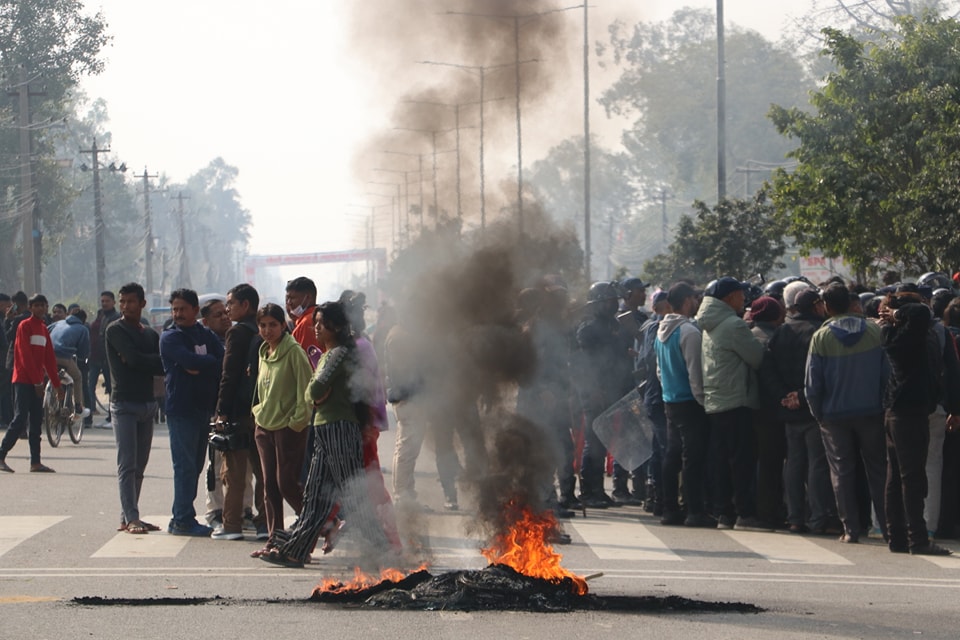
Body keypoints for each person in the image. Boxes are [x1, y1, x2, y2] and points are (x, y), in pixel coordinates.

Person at [261, 302, 392, 568]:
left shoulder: (338, 354)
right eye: (316, 323)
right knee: (315, 495)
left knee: (353, 494)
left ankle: (383, 552)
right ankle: (296, 550)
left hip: (338, 428)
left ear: (338, 326)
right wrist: (315, 393)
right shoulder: (330, 353)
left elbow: (314, 390)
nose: (316, 328)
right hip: (325, 427)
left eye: (322, 323)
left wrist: (315, 393)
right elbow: (314, 392)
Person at [805, 283, 889, 544]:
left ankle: (850, 529)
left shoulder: (821, 337)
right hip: (871, 412)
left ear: (827, 307)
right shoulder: (874, 332)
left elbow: (812, 384)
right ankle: (888, 527)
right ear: (852, 303)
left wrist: (818, 413)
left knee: (841, 471)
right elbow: (887, 375)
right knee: (878, 470)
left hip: (833, 415)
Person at [881, 289, 960, 556]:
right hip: (910, 413)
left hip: (896, 411)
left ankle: (897, 537)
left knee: (896, 478)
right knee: (913, 478)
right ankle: (918, 538)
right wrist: (898, 313)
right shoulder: (909, 335)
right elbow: (920, 313)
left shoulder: (894, 334)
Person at [763, 285, 836, 534]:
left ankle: (795, 517)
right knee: (817, 464)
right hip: (813, 408)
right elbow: (823, 373)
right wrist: (802, 397)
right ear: (816, 306)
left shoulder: (781, 331)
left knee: (793, 463)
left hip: (789, 409)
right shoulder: (820, 331)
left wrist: (783, 396)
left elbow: (768, 368)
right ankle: (818, 517)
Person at [696, 277, 767, 531]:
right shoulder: (733, 325)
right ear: (728, 298)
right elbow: (757, 358)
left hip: (716, 400)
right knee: (742, 461)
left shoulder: (708, 323)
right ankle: (745, 514)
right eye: (740, 294)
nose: (744, 299)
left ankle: (725, 513)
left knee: (722, 460)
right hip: (737, 399)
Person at [159, 288, 224, 536]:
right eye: (174, 309)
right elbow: (191, 362)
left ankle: (183, 515)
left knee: (195, 465)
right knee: (184, 466)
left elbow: (222, 361)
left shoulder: (205, 334)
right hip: (182, 409)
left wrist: (202, 365)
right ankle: (182, 520)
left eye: (182, 309)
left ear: (195, 310)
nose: (177, 314)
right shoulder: (170, 338)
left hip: (203, 408)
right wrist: (206, 362)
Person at [250, 303, 312, 555]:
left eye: (273, 325)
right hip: (264, 426)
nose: (267, 330)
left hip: (288, 428)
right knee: (269, 487)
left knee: (286, 483)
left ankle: (321, 526)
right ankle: (274, 539)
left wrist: (296, 422)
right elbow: (261, 387)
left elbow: (306, 390)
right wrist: (257, 412)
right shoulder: (263, 350)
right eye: (263, 325)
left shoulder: (294, 351)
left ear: (283, 325)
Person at [105, 283, 165, 534]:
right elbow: (133, 360)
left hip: (148, 403)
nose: (126, 306)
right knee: (127, 464)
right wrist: (143, 360)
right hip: (124, 403)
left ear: (142, 304)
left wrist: (141, 360)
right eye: (122, 301)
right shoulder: (115, 330)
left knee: (140, 465)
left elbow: (159, 363)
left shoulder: (150, 334)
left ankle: (129, 515)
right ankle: (131, 516)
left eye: (130, 301)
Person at [212, 284, 268, 542]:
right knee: (263, 471)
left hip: (239, 412)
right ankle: (265, 523)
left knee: (234, 472)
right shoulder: (267, 329)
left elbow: (229, 374)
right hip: (263, 411)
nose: (227, 309)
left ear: (245, 305)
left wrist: (222, 411)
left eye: (231, 303)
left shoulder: (237, 332)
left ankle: (232, 524)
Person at [655, 282, 713, 527]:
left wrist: (669, 391)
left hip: (670, 401)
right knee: (692, 458)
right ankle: (694, 510)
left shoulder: (661, 330)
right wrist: (702, 401)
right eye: (694, 298)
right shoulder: (689, 332)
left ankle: (670, 509)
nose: (697, 302)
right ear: (687, 300)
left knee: (673, 455)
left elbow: (659, 370)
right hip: (690, 402)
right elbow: (695, 373)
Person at [574, 281, 634, 509]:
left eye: (614, 300)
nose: (613, 304)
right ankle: (589, 492)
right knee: (594, 443)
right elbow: (585, 364)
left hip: (612, 390)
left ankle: (599, 491)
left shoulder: (614, 325)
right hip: (594, 392)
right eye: (609, 301)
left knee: (605, 441)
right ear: (598, 303)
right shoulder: (587, 329)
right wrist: (594, 389)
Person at [0, 294, 63, 473]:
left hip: (37, 382)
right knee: (20, 419)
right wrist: (36, 382)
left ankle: (35, 462)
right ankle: (1, 454)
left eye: (43, 305)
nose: (40, 308)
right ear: (30, 307)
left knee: (36, 420)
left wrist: (57, 385)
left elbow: (49, 359)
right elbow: (24, 356)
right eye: (37, 305)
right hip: (23, 380)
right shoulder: (24, 326)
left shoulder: (43, 328)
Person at [86, 291, 121, 428]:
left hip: (108, 359)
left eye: (107, 301)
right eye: (102, 301)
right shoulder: (101, 316)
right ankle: (89, 417)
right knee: (89, 387)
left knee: (111, 389)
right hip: (95, 358)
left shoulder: (116, 317)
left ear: (113, 302)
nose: (104, 303)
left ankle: (113, 417)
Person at [48, 307, 90, 416]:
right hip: (63, 356)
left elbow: (45, 331)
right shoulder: (82, 329)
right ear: (83, 320)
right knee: (77, 377)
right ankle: (78, 406)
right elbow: (83, 351)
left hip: (46, 355)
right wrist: (83, 358)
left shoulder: (58, 323)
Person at [285, 277, 319, 352]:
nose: (289, 303)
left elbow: (304, 356)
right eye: (287, 299)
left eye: (292, 298)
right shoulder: (315, 316)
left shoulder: (307, 322)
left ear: (308, 297)